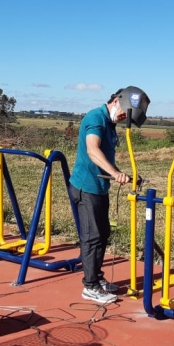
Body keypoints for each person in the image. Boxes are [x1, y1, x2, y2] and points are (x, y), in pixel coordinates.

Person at [68, 86, 151, 304]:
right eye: (124, 113)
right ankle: (90, 286)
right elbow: (93, 150)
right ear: (116, 101)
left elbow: (106, 157)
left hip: (100, 187)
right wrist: (115, 173)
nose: (123, 118)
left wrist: (123, 174)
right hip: (86, 188)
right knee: (92, 237)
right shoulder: (95, 118)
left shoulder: (111, 124)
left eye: (127, 117)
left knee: (102, 234)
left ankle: (96, 277)